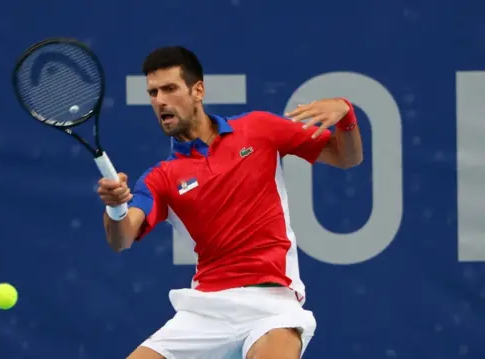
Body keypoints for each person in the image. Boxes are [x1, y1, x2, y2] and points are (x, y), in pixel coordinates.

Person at [97, 46, 363, 359]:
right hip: (205, 312)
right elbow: (122, 238)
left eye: (169, 89)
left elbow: (346, 157)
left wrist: (346, 113)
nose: (160, 101)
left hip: (272, 305)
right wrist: (115, 208)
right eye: (153, 93)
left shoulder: (258, 128)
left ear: (198, 91)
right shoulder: (161, 177)